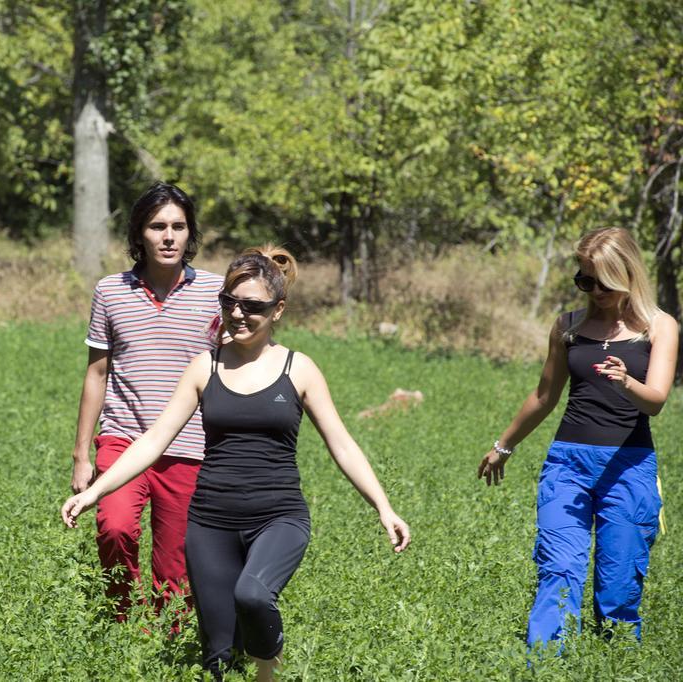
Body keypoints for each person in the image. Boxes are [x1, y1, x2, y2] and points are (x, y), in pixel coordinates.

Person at [63, 246, 410, 680]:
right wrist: (96, 490)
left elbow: (342, 445)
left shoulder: (298, 369)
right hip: (211, 523)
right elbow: (153, 440)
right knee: (218, 655)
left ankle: (270, 673)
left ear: (278, 310)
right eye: (230, 303)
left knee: (252, 594)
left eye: (253, 307)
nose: (239, 314)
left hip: (278, 518)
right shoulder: (203, 368)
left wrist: (384, 507)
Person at [478, 227, 678, 649]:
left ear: (626, 274)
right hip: (567, 465)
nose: (593, 290)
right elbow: (543, 396)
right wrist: (503, 447)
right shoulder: (568, 327)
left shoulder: (659, 327)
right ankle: (549, 665)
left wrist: (626, 383)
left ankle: (617, 661)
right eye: (583, 280)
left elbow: (656, 400)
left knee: (619, 583)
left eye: (601, 281)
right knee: (559, 568)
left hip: (629, 466)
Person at [70, 182, 223, 617]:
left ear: (190, 234)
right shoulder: (111, 291)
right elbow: (97, 372)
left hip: (191, 446)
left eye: (179, 226)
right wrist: (82, 454)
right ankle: (121, 627)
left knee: (176, 566)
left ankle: (168, 652)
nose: (169, 236)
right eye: (158, 227)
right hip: (122, 440)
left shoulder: (216, 293)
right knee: (114, 528)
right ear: (140, 235)